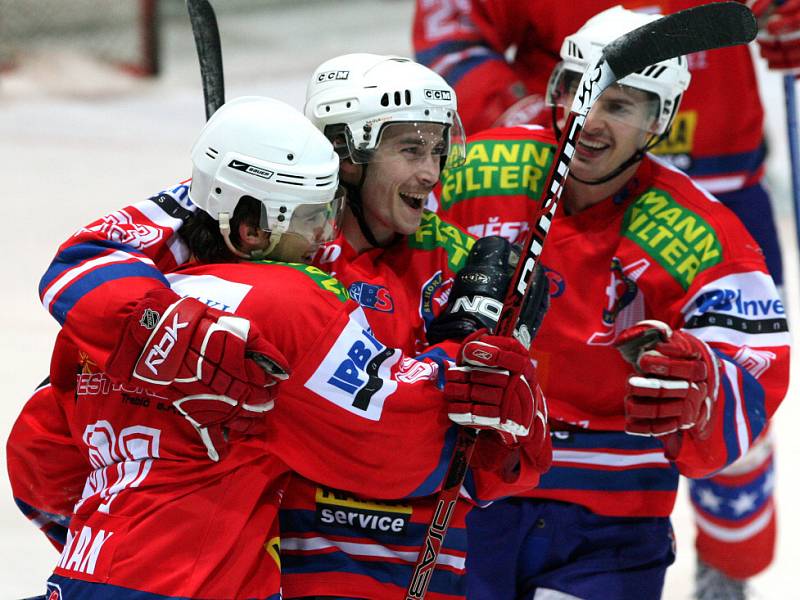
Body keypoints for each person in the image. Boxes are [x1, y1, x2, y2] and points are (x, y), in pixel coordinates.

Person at [19, 58, 553, 598]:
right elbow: (412, 442)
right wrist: (458, 363)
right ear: (344, 152)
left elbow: (41, 459)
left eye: (438, 150)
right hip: (276, 570)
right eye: (411, 149)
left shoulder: (460, 263)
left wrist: (114, 543)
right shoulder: (276, 280)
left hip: (126, 571)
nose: (432, 173)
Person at [414, 1, 791, 595]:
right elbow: (366, 274)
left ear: (658, 120)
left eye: (619, 105)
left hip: (609, 515)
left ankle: (731, 568)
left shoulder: (705, 232)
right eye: (579, 92)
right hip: (475, 482)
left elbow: (754, 376)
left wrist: (708, 389)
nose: (588, 121)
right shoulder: (473, 172)